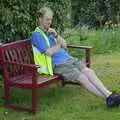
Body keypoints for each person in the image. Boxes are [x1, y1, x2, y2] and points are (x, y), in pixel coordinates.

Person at [31, 7, 120, 107]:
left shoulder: (50, 32)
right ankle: (109, 98)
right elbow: (48, 53)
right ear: (40, 18)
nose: (50, 22)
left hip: (68, 58)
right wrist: (58, 45)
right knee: (83, 78)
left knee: (89, 72)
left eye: (51, 19)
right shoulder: (37, 35)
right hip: (58, 64)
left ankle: (109, 95)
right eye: (47, 19)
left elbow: (64, 45)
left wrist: (56, 35)